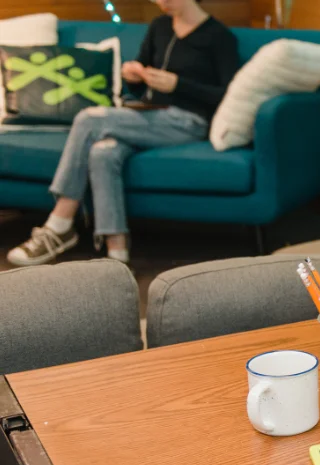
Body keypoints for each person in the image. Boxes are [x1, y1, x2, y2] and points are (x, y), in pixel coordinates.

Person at [6, 0, 238, 266]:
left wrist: (179, 84)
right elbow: (140, 90)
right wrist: (133, 77)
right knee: (103, 152)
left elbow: (227, 96)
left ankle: (59, 224)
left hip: (188, 122)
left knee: (88, 118)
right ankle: (117, 255)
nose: (160, 2)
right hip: (148, 116)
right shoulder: (160, 27)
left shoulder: (219, 36)